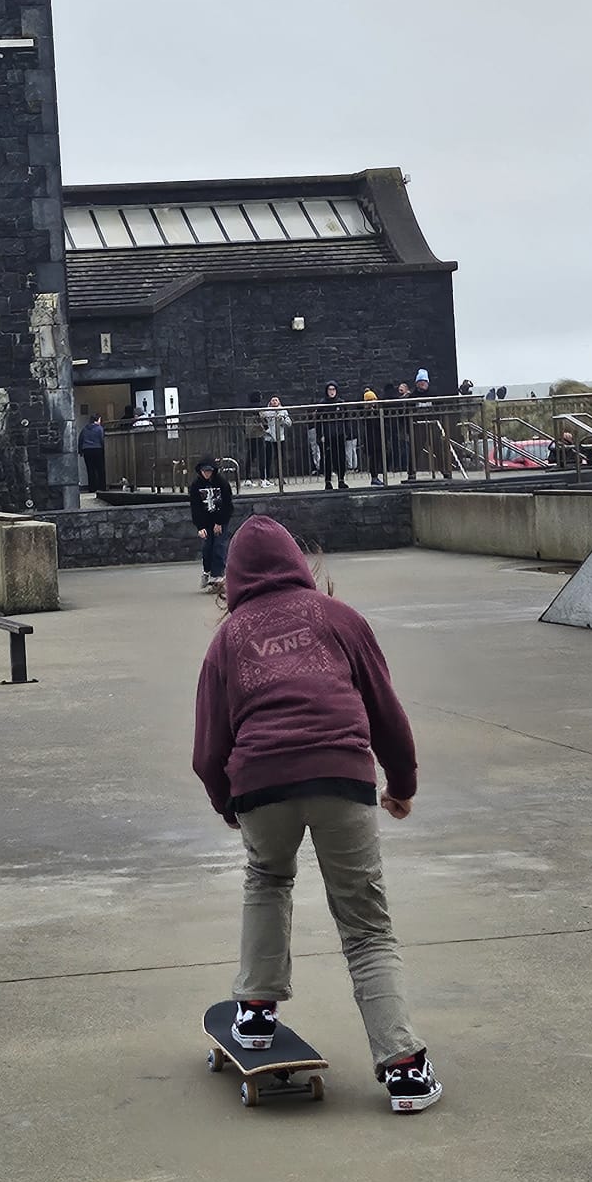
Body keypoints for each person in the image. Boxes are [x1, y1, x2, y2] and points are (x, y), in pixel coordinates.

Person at [192, 516, 441, 1113]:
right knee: (365, 927)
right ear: (301, 565)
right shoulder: (340, 619)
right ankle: (403, 1068)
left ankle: (254, 1013)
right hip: (340, 774)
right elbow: (386, 711)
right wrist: (401, 783)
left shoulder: (227, 641)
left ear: (232, 581)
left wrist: (230, 802)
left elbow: (207, 748)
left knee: (268, 878)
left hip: (261, 781)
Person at [189, 454, 234, 592]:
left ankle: (218, 576)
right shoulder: (196, 486)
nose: (206, 474)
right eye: (204, 471)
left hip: (220, 520)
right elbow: (195, 507)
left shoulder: (222, 484)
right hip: (206, 522)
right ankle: (208, 571)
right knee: (207, 547)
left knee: (219, 546)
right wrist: (200, 526)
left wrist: (219, 522)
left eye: (209, 471)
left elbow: (227, 505)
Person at [317, 381, 352, 491]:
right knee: (328, 459)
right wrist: (320, 434)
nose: (331, 392)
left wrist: (347, 432)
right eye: (329, 390)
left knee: (341, 458)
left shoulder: (341, 403)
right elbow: (318, 422)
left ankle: (341, 480)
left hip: (339, 434)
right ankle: (328, 482)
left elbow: (346, 419)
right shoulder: (323, 404)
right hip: (328, 435)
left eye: (333, 389)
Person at [261, 395, 292, 483]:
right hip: (269, 437)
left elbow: (289, 423)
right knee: (268, 458)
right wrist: (266, 429)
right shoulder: (266, 411)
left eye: (276, 400)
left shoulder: (283, 411)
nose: (274, 402)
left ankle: (280, 477)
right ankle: (267, 478)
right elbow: (262, 421)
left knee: (280, 458)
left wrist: (282, 420)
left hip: (280, 437)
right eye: (273, 400)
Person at [361, 387, 386, 486]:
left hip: (378, 436)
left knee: (378, 456)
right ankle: (374, 477)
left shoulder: (377, 410)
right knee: (374, 457)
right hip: (371, 437)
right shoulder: (367, 413)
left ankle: (376, 476)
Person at [77, 413, 106, 492]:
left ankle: (92, 488)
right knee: (100, 469)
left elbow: (81, 439)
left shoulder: (85, 429)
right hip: (97, 449)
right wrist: (104, 449)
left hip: (87, 450)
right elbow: (102, 439)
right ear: (97, 420)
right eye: (100, 419)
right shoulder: (99, 428)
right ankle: (101, 487)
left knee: (90, 470)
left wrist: (80, 450)